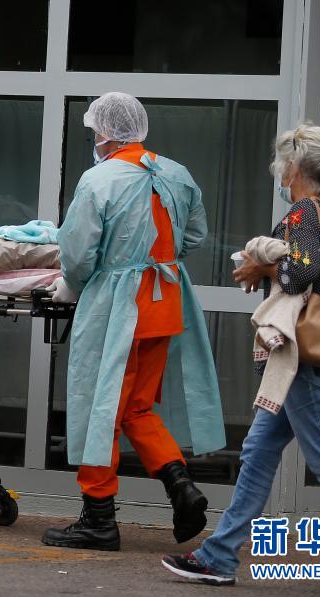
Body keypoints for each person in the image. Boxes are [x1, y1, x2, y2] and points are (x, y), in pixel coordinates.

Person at [162, 124, 320, 597]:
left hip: (300, 361)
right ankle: (217, 557)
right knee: (257, 452)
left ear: (293, 166)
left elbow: (299, 273)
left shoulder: (301, 215)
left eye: (282, 162)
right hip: (307, 362)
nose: (279, 170)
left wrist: (261, 266)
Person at [41, 92, 226, 551]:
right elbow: (195, 236)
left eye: (94, 132)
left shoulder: (98, 179)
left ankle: (98, 518)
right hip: (164, 307)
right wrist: (154, 257)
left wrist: (74, 283)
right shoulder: (177, 174)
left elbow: (77, 253)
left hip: (116, 309)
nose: (94, 139)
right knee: (136, 409)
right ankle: (181, 487)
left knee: (99, 410)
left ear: (106, 132)